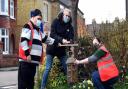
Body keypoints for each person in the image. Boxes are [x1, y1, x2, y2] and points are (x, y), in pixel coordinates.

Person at [18, 9, 56, 89]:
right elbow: (23, 40)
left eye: (40, 19)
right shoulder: (27, 26)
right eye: (38, 19)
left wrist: (57, 42)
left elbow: (46, 39)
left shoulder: (38, 30)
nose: (40, 21)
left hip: (32, 63)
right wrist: (27, 54)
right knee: (23, 85)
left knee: (30, 85)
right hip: (26, 62)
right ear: (32, 17)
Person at [41, 9, 74, 89]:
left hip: (61, 50)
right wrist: (61, 40)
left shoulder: (70, 26)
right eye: (66, 15)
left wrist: (69, 41)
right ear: (62, 15)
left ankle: (71, 86)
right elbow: (52, 34)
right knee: (48, 68)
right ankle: (43, 87)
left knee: (67, 67)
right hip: (52, 48)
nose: (67, 17)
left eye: (68, 16)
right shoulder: (55, 21)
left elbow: (71, 36)